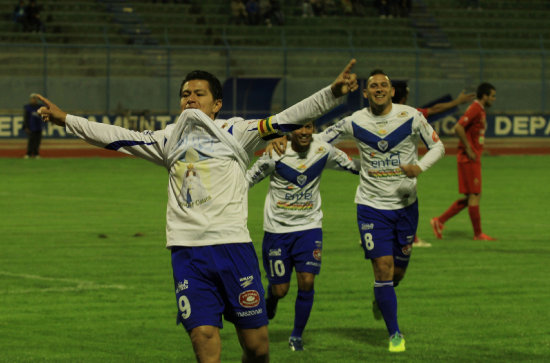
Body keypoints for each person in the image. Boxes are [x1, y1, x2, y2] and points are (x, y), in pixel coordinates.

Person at [36, 61, 358, 363]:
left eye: (198, 93)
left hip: (233, 248)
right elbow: (116, 136)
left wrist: (332, 93)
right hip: (188, 253)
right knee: (204, 339)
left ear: (216, 104)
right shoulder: (168, 138)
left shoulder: (237, 132)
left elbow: (287, 117)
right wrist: (66, 119)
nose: (190, 98)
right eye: (185, 94)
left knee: (257, 348)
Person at [317, 69, 445, 352]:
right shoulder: (354, 121)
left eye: (383, 85)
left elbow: (438, 146)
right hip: (371, 208)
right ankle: (395, 334)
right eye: (372, 85)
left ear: (391, 91)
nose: (378, 89)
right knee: (383, 269)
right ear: (365, 93)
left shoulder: (411, 116)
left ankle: (382, 295)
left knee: (397, 273)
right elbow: (319, 140)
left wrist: (419, 167)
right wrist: (344, 161)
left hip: (406, 207)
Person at [246, 122, 359, 352]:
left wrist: (381, 168)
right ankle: (273, 298)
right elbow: (247, 179)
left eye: (308, 127)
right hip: (277, 230)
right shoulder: (274, 154)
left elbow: (352, 166)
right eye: (299, 128)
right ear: (289, 131)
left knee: (307, 281)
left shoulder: (323, 150)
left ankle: (296, 336)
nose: (305, 133)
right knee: (281, 290)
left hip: (309, 227)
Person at [392, 80, 475, 247]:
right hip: (405, 166)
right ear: (405, 95)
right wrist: (457, 102)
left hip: (381, 164)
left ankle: (375, 233)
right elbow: (435, 110)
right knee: (407, 201)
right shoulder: (410, 114)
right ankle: (412, 238)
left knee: (384, 199)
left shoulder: (377, 114)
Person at [430, 82, 496, 241]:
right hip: (468, 159)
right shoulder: (475, 108)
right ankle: (478, 234)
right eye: (492, 96)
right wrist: (469, 149)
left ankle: (439, 221)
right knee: (474, 195)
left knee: (472, 197)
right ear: (485, 96)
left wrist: (478, 148)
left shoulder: (480, 110)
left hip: (472, 157)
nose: (494, 99)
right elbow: (458, 127)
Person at [23, 93, 44, 159]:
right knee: (31, 141)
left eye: (35, 99)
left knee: (37, 141)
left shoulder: (40, 107)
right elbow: (26, 118)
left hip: (39, 127)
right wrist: (26, 127)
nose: (34, 100)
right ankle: (28, 153)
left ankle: (36, 153)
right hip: (31, 127)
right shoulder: (28, 108)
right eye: (33, 98)